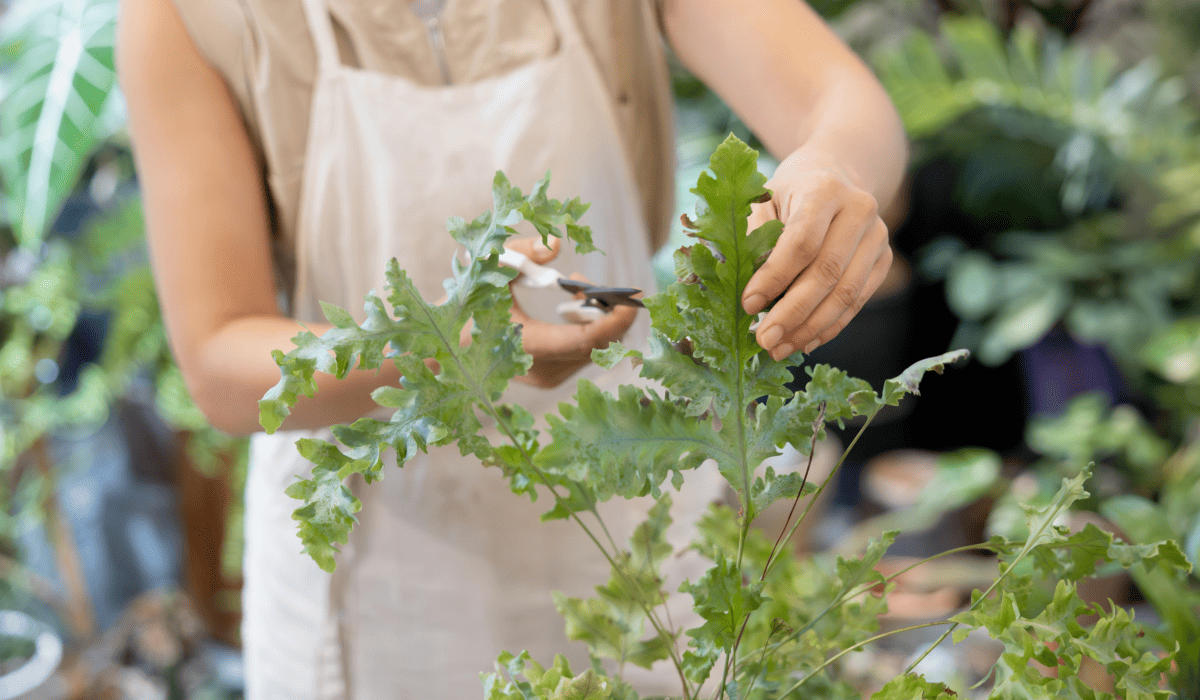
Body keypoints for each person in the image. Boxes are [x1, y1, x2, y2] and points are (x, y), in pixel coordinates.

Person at [116, 0, 907, 697]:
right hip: (382, 587)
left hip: (639, 527)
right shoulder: (190, 13)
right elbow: (221, 360)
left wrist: (833, 170)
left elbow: (839, 101)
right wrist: (457, 351)